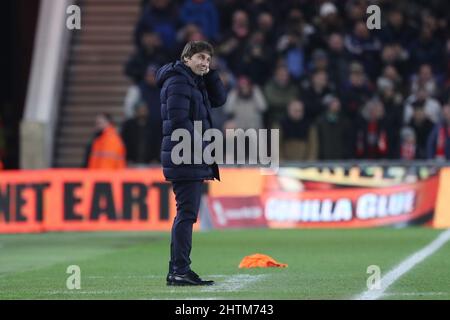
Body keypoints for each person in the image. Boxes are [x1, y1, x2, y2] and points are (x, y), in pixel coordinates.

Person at [156, 41, 227, 286]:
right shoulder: (178, 81)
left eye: (208, 59)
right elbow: (178, 121)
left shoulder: (193, 81)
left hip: (189, 156)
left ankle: (179, 269)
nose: (204, 63)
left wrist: (211, 75)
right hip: (184, 155)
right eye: (200, 57)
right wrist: (202, 148)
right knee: (186, 214)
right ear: (186, 58)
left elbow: (220, 100)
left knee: (186, 214)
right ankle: (179, 269)